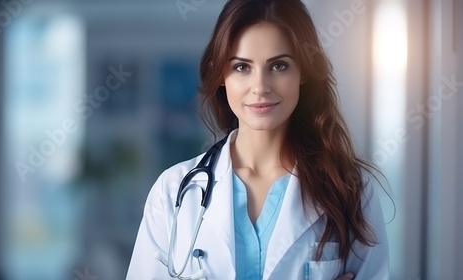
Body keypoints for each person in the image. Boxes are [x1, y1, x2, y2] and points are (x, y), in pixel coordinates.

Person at [126, 0, 389, 279]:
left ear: (303, 72)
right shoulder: (173, 191)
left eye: (278, 66)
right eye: (242, 67)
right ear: (221, 75)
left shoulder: (351, 189)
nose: (260, 87)